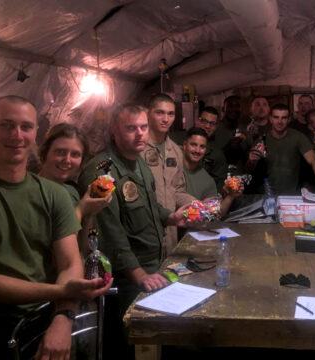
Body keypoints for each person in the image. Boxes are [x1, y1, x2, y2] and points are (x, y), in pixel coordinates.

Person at [0, 95, 111, 359]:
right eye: (6, 125)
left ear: (35, 134)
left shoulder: (55, 194)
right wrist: (61, 292)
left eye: (26, 127)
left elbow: (69, 263)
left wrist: (63, 319)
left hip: (46, 321)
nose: (17, 135)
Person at [79, 103, 186, 359]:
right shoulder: (102, 170)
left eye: (143, 127)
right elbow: (109, 229)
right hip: (124, 277)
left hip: (151, 265)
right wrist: (137, 273)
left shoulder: (138, 164)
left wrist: (171, 217)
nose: (139, 134)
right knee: (126, 343)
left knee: (152, 342)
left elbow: (151, 206)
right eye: (130, 128)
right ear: (114, 132)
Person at [246, 104, 315, 201]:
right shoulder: (261, 140)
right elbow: (248, 171)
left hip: (292, 195)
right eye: (276, 117)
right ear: (270, 119)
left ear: (289, 120)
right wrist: (251, 161)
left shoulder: (298, 137)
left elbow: (314, 162)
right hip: (267, 195)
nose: (280, 122)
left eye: (284, 118)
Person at [144, 94, 195, 257]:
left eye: (171, 114)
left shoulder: (176, 151)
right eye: (160, 113)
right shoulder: (138, 149)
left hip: (171, 230)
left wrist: (197, 204)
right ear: (148, 113)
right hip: (145, 231)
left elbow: (177, 190)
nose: (166, 119)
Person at [39, 123, 112, 224]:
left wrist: (89, 214)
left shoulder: (71, 192)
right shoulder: (32, 192)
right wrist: (81, 210)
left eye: (75, 154)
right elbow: (60, 238)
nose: (67, 160)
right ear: (45, 152)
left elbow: (81, 239)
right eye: (60, 152)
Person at [182, 127, 242, 216]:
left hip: (190, 227)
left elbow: (215, 212)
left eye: (202, 147)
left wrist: (231, 196)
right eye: (193, 145)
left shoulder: (208, 181)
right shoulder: (171, 168)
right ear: (184, 145)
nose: (197, 150)